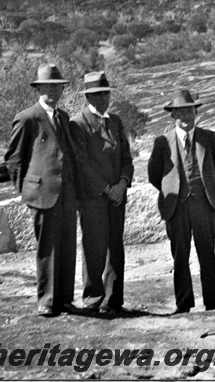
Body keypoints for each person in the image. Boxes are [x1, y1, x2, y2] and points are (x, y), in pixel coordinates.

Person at [4, 63, 79, 317]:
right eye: (48, 86)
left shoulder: (64, 117)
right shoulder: (27, 118)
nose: (53, 92)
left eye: (57, 87)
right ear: (38, 88)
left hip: (67, 193)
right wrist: (27, 188)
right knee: (47, 247)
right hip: (42, 194)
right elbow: (14, 159)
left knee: (67, 245)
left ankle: (65, 299)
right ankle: (46, 300)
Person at [148, 90, 215, 313]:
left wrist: (206, 189)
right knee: (180, 256)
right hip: (176, 207)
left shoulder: (208, 138)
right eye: (180, 112)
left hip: (204, 205)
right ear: (172, 116)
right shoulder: (162, 142)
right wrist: (172, 190)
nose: (186, 116)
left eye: (190, 110)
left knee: (207, 253)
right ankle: (183, 304)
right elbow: (154, 174)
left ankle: (213, 303)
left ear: (196, 112)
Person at [70, 71, 134, 314]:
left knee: (115, 247)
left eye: (105, 94)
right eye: (96, 95)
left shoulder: (116, 122)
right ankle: (93, 299)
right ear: (87, 96)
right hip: (94, 198)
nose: (102, 99)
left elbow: (127, 158)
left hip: (117, 198)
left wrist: (122, 184)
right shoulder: (78, 123)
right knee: (94, 247)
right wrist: (107, 189)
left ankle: (113, 300)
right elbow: (82, 164)